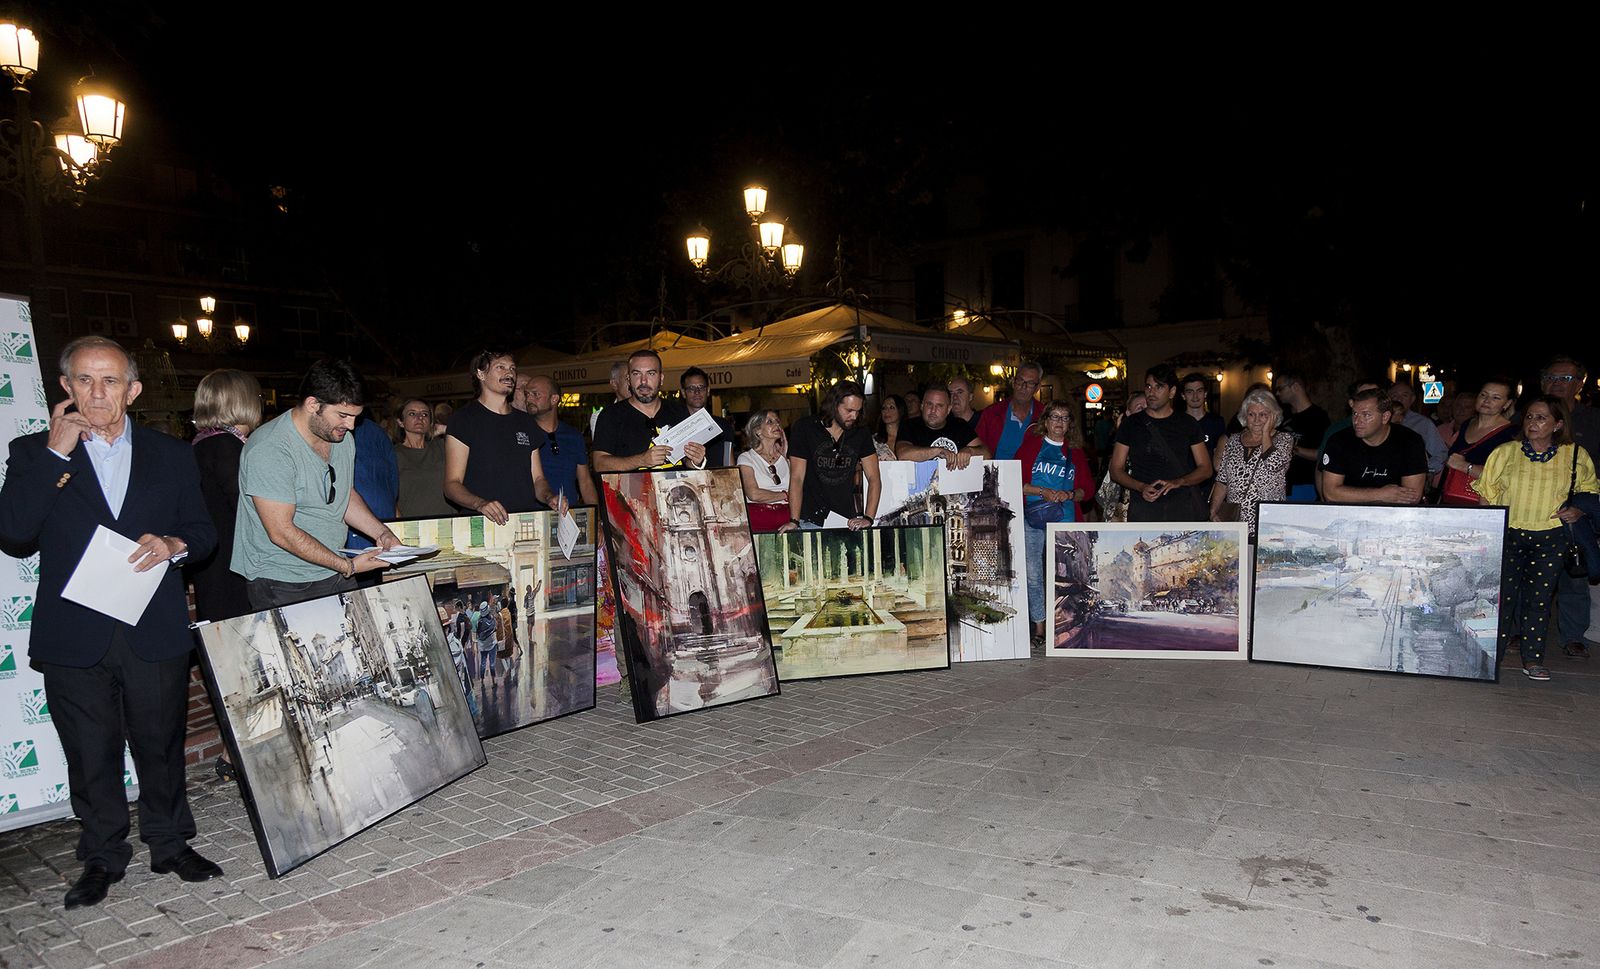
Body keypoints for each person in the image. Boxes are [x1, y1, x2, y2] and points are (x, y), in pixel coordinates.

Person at [0, 336, 222, 908]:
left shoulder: (171, 453)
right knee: (90, 753)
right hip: (74, 636)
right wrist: (55, 455)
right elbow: (15, 534)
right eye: (86, 380)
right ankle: (102, 855)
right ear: (66, 387)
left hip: (153, 628)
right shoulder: (32, 453)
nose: (98, 393)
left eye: (112, 381)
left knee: (161, 745)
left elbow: (202, 533)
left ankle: (171, 844)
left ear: (134, 389)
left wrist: (174, 542)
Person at [233, 358, 401, 609]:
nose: (351, 425)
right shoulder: (271, 448)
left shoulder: (341, 438)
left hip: (333, 567)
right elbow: (281, 532)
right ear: (313, 404)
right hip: (282, 580)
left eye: (356, 416)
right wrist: (348, 566)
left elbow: (344, 495)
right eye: (343, 415)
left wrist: (382, 533)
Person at [1474, 396, 1598, 681]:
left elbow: (1589, 492)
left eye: (1541, 418)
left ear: (1557, 424)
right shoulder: (1506, 452)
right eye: (1529, 417)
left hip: (1552, 537)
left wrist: (1577, 510)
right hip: (1509, 534)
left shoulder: (1575, 455)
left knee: (1539, 601)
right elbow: (1486, 494)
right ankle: (1494, 658)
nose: (1532, 422)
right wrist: (1488, 533)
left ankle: (1533, 659)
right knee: (1501, 599)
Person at [444, 350, 564, 525]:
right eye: (501, 367)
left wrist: (549, 497)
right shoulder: (464, 420)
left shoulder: (526, 422)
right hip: (482, 523)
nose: (509, 373)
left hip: (523, 522)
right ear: (481, 373)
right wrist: (480, 503)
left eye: (512, 369)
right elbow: (451, 484)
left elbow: (538, 479)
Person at [187, 369, 262, 622]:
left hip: (214, 563)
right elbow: (249, 509)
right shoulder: (227, 447)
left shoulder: (202, 443)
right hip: (232, 567)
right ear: (245, 401)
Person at [1016, 401, 1092, 644]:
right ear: (1045, 421)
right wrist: (1043, 491)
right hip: (1034, 517)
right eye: (1055, 417)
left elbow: (1088, 490)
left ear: (1070, 424)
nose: (1059, 422)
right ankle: (1040, 626)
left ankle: (1065, 625)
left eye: (1065, 418)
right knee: (1033, 573)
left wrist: (1069, 495)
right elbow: (1015, 482)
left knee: (1067, 575)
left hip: (1066, 519)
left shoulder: (1076, 451)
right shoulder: (1031, 447)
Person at [1540, 356, 1600, 659]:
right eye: (1551, 377)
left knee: (1572, 573)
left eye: (1564, 379)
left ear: (1580, 383)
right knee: (1526, 577)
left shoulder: (1593, 421)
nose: (1556, 384)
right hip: (1531, 510)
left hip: (1573, 513)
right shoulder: (1525, 418)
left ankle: (1574, 635)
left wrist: (1582, 506)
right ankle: (1516, 632)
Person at [1109, 365, 1213, 522]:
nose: (1152, 392)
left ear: (1172, 392)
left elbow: (1206, 469)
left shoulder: (1187, 424)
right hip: (1143, 508)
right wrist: (1141, 486)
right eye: (1149, 386)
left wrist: (1180, 481)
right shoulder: (1131, 424)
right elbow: (1116, 469)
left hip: (1181, 507)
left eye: (1159, 387)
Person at [783, 379, 880, 531]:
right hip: (810, 517)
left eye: (858, 411)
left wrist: (868, 517)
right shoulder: (805, 428)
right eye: (849, 410)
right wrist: (794, 520)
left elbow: (874, 477)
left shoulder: (860, 432)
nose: (854, 416)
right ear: (834, 405)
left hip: (844, 519)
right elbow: (797, 477)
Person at [592, 350, 706, 472]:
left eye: (651, 373)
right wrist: (642, 460)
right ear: (628, 379)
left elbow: (686, 459)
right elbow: (599, 464)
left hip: (677, 489)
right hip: (631, 490)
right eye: (636, 374)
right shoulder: (610, 416)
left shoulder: (678, 411)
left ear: (661, 379)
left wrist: (696, 461)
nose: (643, 381)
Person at [1208, 388, 1294, 538]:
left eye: (1263, 415)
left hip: (1268, 522)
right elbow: (1222, 480)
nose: (1256, 420)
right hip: (1235, 521)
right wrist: (1213, 510)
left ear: (1273, 416)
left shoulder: (1284, 440)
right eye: (1251, 414)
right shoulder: (1233, 440)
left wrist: (1266, 433)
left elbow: (1273, 464)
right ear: (1244, 416)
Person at [1319, 389, 1427, 504]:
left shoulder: (1410, 441)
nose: (1357, 421)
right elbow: (1331, 494)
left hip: (1394, 517)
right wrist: (1381, 494)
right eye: (1355, 413)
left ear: (1385, 417)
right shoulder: (1339, 441)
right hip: (1348, 514)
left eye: (1366, 415)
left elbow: (1412, 497)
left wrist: (1351, 495)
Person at [1439, 379, 1518, 507]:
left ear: (1507, 404)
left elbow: (1506, 477)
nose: (1487, 401)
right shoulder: (1467, 424)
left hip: (1484, 504)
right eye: (1483, 395)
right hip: (1452, 498)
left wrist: (1466, 466)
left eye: (1496, 398)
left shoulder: (1512, 433)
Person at [524, 375, 598, 508]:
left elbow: (585, 481)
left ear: (554, 399)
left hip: (568, 516)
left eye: (535, 394)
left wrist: (596, 518)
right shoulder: (523, 435)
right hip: (534, 516)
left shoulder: (573, 436)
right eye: (527, 394)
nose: (529, 399)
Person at [897, 385, 990, 468]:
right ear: (921, 406)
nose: (933, 410)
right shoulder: (910, 425)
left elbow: (987, 454)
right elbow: (902, 453)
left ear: (948, 409)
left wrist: (970, 451)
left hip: (956, 484)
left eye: (939, 406)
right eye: (929, 404)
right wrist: (938, 451)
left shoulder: (959, 425)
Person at [347, 401, 398, 549]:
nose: (349, 424)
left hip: (358, 520)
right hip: (379, 516)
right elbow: (393, 480)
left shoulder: (338, 433)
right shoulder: (378, 433)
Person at [1272, 371, 1331, 502]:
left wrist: (1292, 448)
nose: (1277, 393)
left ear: (1295, 387)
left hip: (1305, 484)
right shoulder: (1283, 416)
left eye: (1280, 389)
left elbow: (1322, 454)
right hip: (1281, 484)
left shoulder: (1318, 417)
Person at [393, 398, 455, 518]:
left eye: (424, 414)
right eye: (412, 414)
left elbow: (470, 436)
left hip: (449, 522)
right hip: (413, 524)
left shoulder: (441, 447)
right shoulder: (394, 454)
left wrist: (443, 429)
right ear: (401, 422)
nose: (419, 417)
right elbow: (388, 497)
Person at [975, 362, 1045, 461]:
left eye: (1030, 383)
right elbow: (977, 446)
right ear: (1013, 382)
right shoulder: (992, 413)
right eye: (1020, 381)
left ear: (1037, 388)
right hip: (998, 474)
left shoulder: (1045, 416)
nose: (1023, 387)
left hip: (1033, 475)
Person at [737, 409, 790, 532]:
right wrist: (786, 495)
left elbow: (799, 487)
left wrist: (787, 457)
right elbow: (753, 494)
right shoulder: (746, 458)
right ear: (758, 431)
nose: (777, 425)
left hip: (788, 518)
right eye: (770, 422)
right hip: (759, 518)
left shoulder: (787, 457)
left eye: (777, 421)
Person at [1386, 381, 1449, 480]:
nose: (1399, 399)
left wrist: (1425, 470)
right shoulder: (1379, 421)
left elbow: (1441, 453)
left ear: (1412, 399)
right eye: (1394, 395)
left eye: (1405, 395)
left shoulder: (1423, 424)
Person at [680, 367, 735, 467]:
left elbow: (729, 464)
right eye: (691, 388)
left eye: (701, 387)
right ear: (684, 393)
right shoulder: (677, 427)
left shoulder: (723, 425)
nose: (697, 392)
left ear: (708, 391)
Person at [1180, 373, 1227, 458]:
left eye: (1199, 391)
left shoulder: (1217, 422)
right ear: (1183, 395)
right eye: (1190, 392)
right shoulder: (1176, 423)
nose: (1195, 396)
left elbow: (1221, 455)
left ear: (1205, 393)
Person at [590, 360, 634, 436]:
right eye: (627, 378)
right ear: (614, 384)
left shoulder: (650, 411)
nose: (632, 383)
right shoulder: (601, 416)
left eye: (634, 377)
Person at [873, 394, 906, 462]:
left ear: (900, 411)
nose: (886, 411)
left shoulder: (910, 438)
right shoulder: (873, 441)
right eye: (884, 408)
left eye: (891, 407)